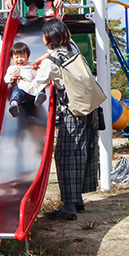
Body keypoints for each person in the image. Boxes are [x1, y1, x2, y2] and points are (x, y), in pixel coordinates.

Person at [27, 19, 100, 221]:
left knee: (66, 156)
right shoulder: (72, 47)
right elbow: (54, 52)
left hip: (72, 112)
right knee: (84, 152)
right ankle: (77, 200)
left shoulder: (51, 64)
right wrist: (43, 57)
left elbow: (35, 88)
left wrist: (20, 80)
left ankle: (68, 206)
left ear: (48, 38)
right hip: (90, 107)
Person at [4, 42, 46, 117]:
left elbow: (39, 77)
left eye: (22, 56)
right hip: (21, 90)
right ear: (12, 59)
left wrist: (37, 69)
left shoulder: (31, 66)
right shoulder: (12, 68)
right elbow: (6, 78)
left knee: (39, 85)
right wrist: (12, 77)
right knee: (16, 92)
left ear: (27, 57)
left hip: (32, 89)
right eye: (17, 57)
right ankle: (14, 105)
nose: (20, 59)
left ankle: (39, 97)